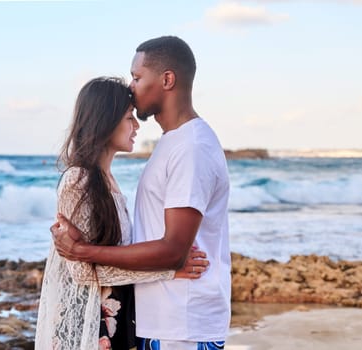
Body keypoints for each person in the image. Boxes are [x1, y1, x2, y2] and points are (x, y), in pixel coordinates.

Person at [52, 36, 231, 350]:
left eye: (137, 77)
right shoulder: (172, 143)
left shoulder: (191, 147)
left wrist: (84, 251)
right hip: (162, 320)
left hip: (182, 325)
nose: (131, 88)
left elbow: (174, 251)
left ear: (167, 79)